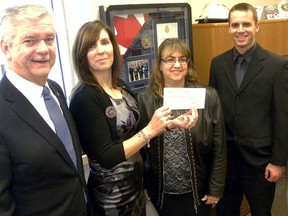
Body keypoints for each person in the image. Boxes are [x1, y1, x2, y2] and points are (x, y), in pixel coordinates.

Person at [69, 20, 196, 216]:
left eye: (105, 42)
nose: (101, 50)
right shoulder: (84, 97)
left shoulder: (119, 86)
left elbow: (137, 131)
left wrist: (170, 125)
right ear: (82, 54)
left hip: (135, 187)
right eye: (92, 46)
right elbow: (107, 156)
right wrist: (151, 130)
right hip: (111, 197)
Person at [0, 4, 89, 216]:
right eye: (30, 40)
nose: (43, 49)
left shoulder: (55, 90)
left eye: (49, 39)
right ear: (6, 48)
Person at [209, 3, 288, 216]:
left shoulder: (276, 65)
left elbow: (282, 117)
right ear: (228, 28)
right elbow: (213, 113)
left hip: (260, 163)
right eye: (235, 25)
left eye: (246, 24)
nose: (240, 30)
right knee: (225, 212)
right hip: (227, 162)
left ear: (257, 26)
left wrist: (279, 162)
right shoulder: (217, 64)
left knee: (261, 212)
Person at [137, 38, 227, 216]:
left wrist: (215, 187)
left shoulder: (208, 97)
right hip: (162, 191)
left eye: (182, 59)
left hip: (198, 190)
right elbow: (141, 151)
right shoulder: (145, 100)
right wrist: (143, 184)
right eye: (170, 59)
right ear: (160, 66)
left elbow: (219, 147)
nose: (177, 64)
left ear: (188, 64)